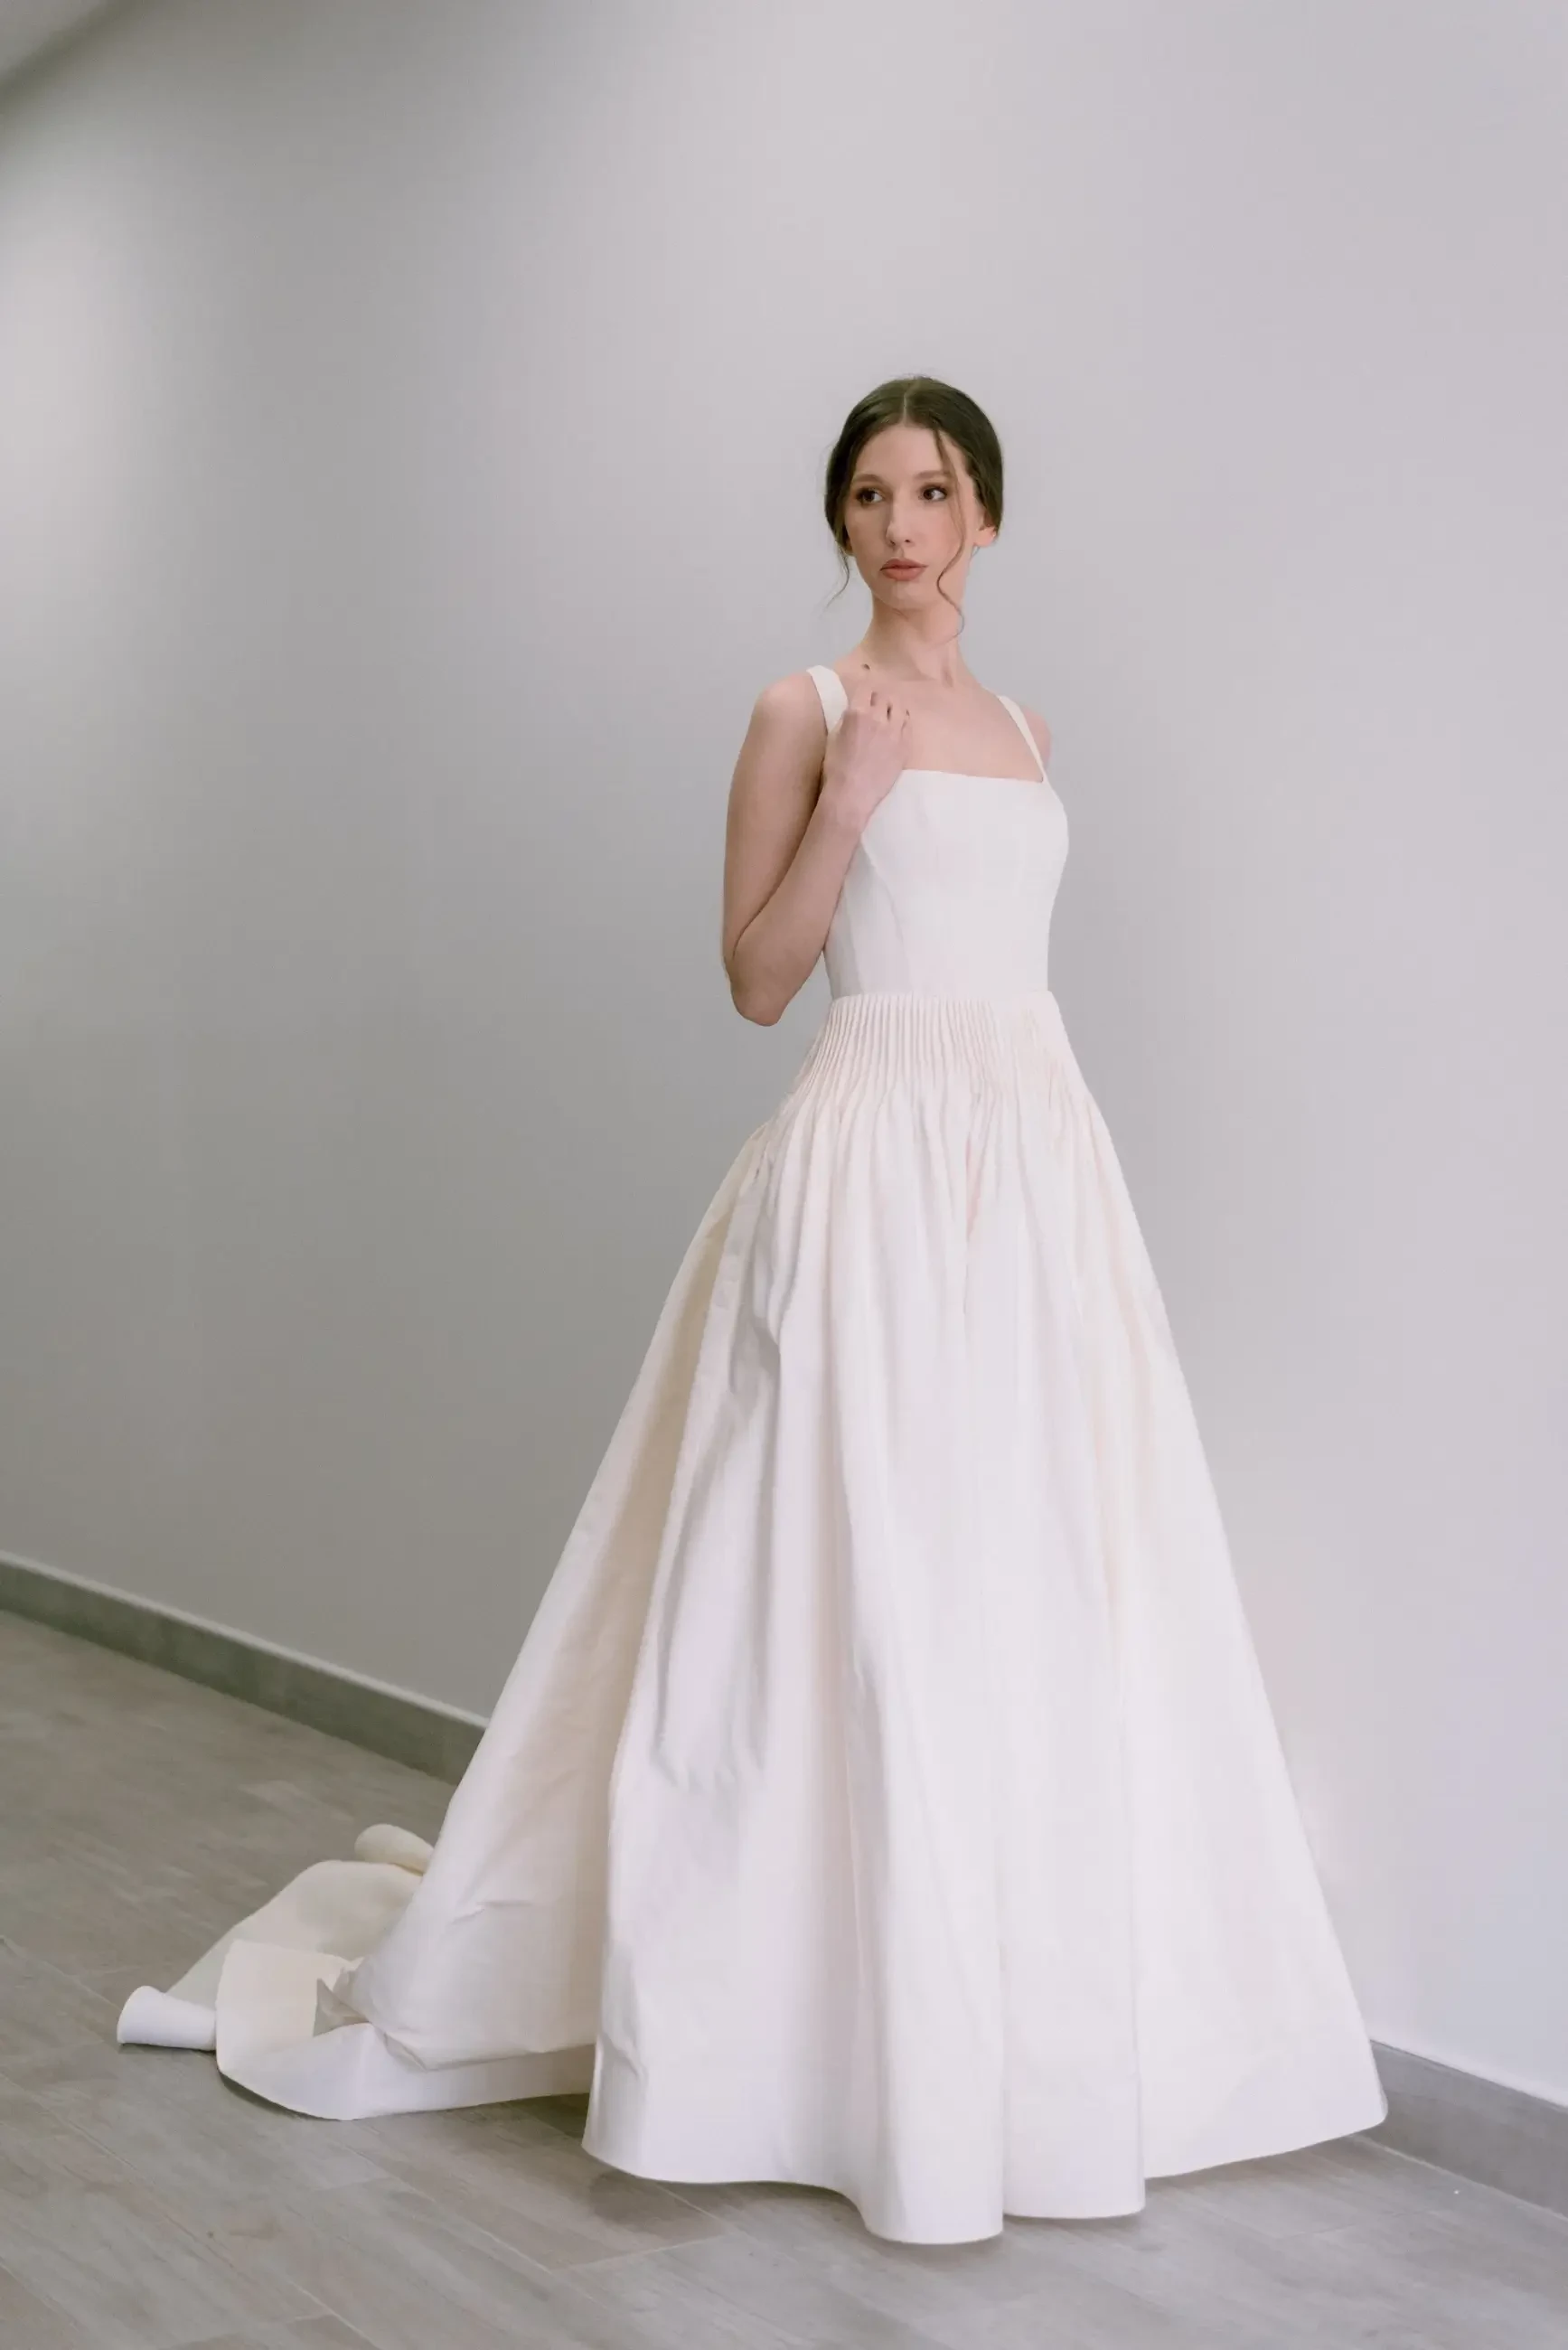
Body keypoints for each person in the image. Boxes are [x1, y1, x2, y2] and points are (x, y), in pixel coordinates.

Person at [117, 375, 1388, 2247]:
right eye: (867, 494)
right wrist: (852, 799)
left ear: (987, 519)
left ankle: (1015, 2050)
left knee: (1025, 1588)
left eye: (930, 490)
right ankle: (796, 2045)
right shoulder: (801, 714)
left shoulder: (1031, 726)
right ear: (845, 526)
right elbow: (755, 976)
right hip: (868, 1177)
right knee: (839, 1596)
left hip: (1033, 1182)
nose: (897, 523)